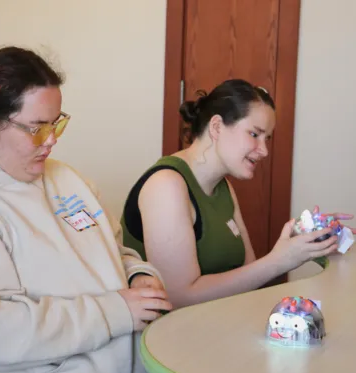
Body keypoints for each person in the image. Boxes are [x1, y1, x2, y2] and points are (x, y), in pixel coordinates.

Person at [0, 46, 172, 373]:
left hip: (127, 358)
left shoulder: (67, 179)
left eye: (56, 124)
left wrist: (137, 275)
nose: (51, 141)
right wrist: (114, 312)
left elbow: (115, 252)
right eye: (37, 128)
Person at [121, 78, 354, 310]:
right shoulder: (166, 185)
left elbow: (248, 275)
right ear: (216, 127)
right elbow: (178, 297)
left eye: (267, 138)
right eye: (254, 134)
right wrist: (280, 260)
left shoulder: (223, 187)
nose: (264, 150)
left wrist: (299, 240)